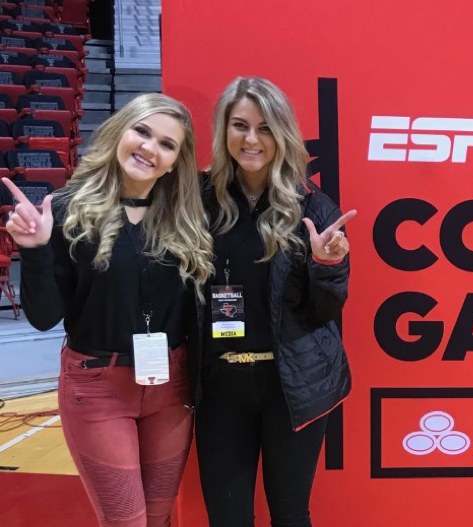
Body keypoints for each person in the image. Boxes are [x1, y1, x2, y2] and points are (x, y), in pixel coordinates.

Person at [1, 93, 213, 527]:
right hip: (98, 387)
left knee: (158, 519)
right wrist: (37, 252)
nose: (150, 148)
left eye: (167, 144)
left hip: (170, 387)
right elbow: (44, 317)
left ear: (176, 161)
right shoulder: (67, 210)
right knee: (126, 521)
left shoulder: (187, 217)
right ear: (120, 132)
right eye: (142, 131)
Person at [195, 76, 354, 527]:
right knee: (227, 518)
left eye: (265, 127)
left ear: (282, 133)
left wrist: (327, 267)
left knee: (290, 514)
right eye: (240, 125)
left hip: (292, 386)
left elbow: (325, 312)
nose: (251, 139)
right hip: (220, 388)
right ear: (223, 130)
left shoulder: (312, 206)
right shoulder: (198, 200)